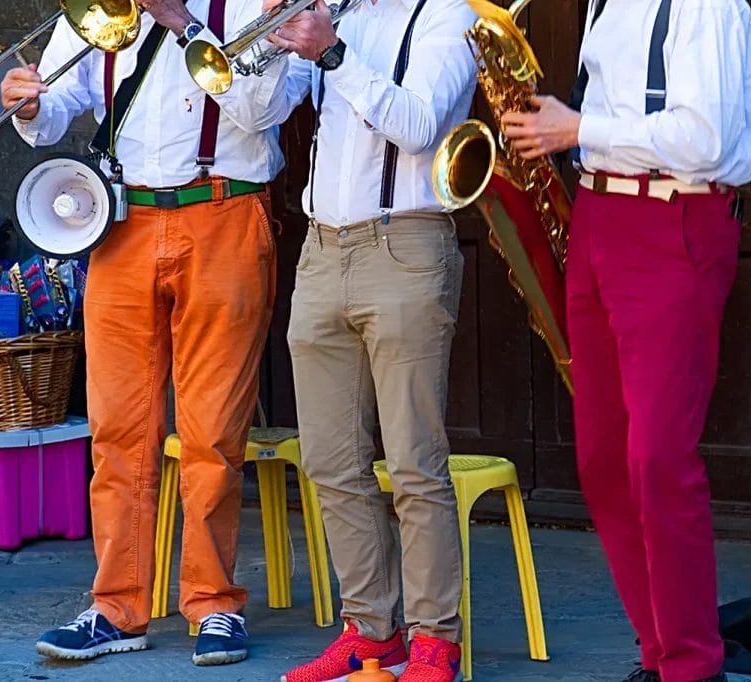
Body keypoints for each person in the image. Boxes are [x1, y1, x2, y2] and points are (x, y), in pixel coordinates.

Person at [0, 0, 291, 667]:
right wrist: (25, 103)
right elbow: (53, 113)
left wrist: (185, 22)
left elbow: (263, 112)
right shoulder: (102, 6)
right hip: (120, 223)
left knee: (212, 430)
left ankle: (213, 603)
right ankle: (116, 605)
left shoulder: (256, 5)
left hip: (224, 212)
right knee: (117, 428)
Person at [502, 0, 751, 681]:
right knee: (603, 459)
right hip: (599, 213)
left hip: (675, 215)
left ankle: (693, 667)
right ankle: (659, 653)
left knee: (655, 456)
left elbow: (704, 138)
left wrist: (579, 127)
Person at [260, 0, 477, 679]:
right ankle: (371, 627)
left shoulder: (450, 17)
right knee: (329, 459)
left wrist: (331, 53)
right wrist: (268, 48)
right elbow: (260, 114)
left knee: (413, 461)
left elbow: (417, 127)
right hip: (322, 250)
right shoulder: (337, 13)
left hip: (406, 242)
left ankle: (435, 637)